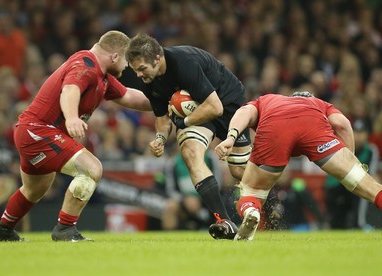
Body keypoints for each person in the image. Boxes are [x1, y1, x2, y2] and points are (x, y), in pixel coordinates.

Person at [0, 30, 152, 242]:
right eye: (126, 61)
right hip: (40, 131)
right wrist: (72, 117)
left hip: (31, 131)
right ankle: (65, 229)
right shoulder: (86, 65)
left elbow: (130, 96)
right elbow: (70, 89)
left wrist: (163, 104)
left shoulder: (102, 76)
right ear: (114, 56)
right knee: (92, 169)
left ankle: (3, 231)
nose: (127, 66)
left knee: (34, 189)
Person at [126, 33, 252, 240]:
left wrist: (183, 122)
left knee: (239, 171)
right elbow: (162, 116)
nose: (139, 75)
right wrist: (160, 138)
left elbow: (215, 107)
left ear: (157, 58)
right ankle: (224, 221)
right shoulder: (149, 80)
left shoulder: (185, 63)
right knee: (190, 152)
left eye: (142, 69)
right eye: (135, 70)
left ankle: (261, 202)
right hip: (198, 112)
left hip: (227, 103)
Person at [215, 91, 382, 241]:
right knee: (365, 184)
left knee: (251, 191)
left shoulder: (268, 100)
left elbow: (244, 112)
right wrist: (350, 164)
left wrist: (231, 137)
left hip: (276, 127)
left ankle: (251, 211)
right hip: (314, 128)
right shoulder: (318, 104)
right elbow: (342, 124)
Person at [325, 119, 380, 229]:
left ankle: (360, 224)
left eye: (362, 132)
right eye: (355, 132)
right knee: (336, 219)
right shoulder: (341, 146)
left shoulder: (371, 150)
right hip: (338, 183)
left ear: (367, 134)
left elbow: (371, 172)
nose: (358, 136)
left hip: (357, 184)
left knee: (362, 192)